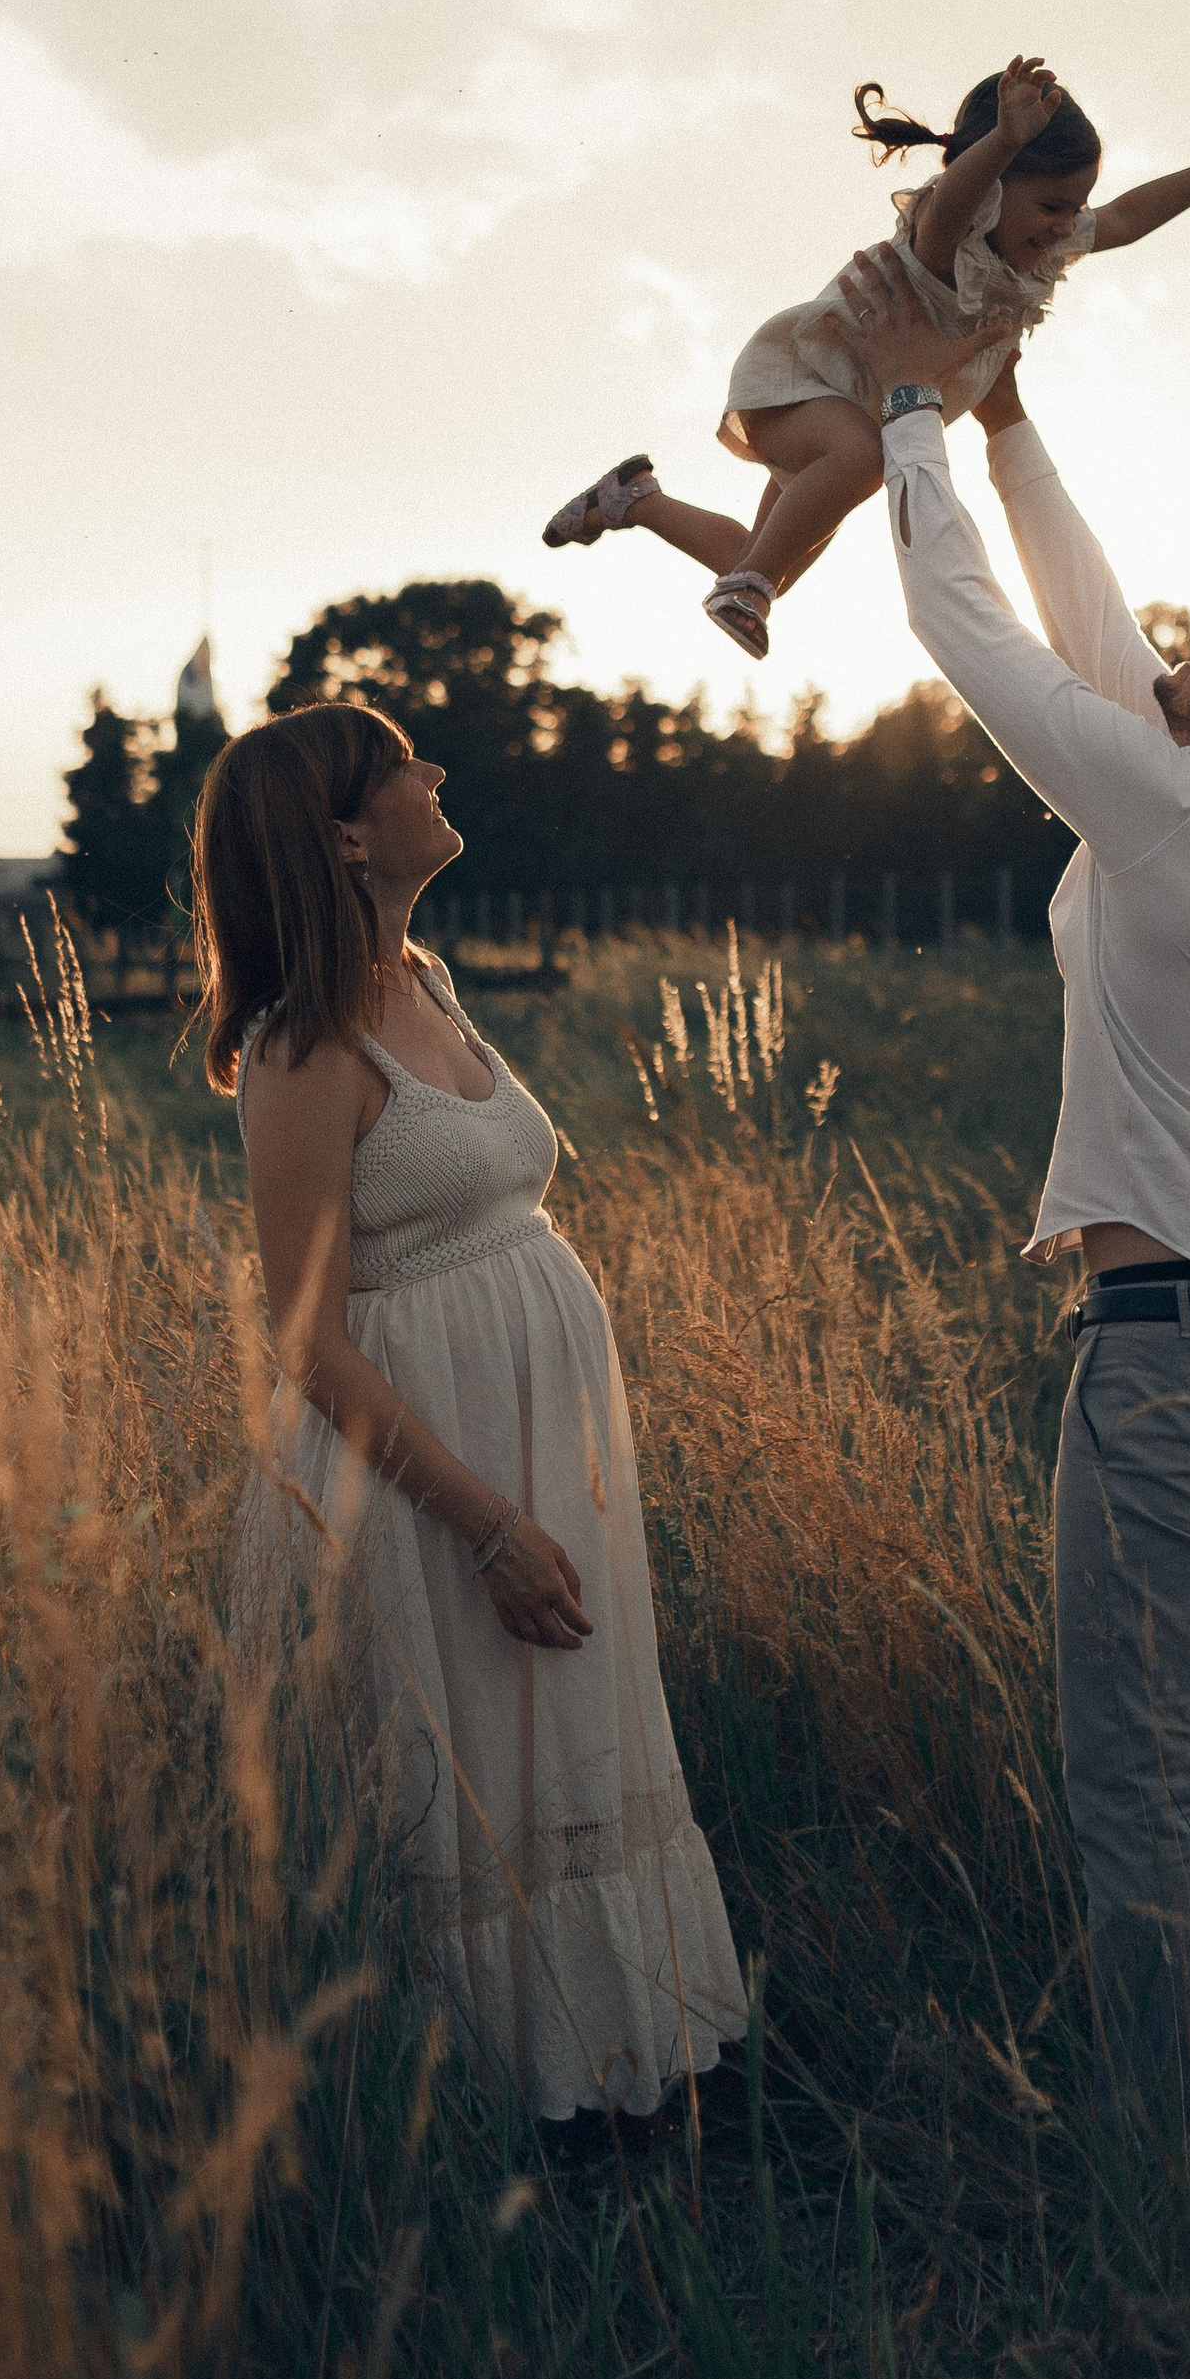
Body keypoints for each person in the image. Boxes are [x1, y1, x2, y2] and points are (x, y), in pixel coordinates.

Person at [831, 239, 1190, 2124]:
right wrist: (1008, 423)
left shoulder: (1179, 801)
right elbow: (1099, 647)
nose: (1185, 641)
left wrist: (911, 414)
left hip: (1167, 1357)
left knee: (1140, 1768)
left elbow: (986, 647)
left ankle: (1159, 2157)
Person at [202, 701, 746, 2129]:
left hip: (525, 1448)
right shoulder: (299, 1046)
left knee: (560, 1747)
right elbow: (307, 1338)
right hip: (422, 1483)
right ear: (340, 834)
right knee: (463, 1797)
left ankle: (621, 2077)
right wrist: (487, 1523)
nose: (438, 775)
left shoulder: (427, 979)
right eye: (404, 771)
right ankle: (493, 2125)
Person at [541, 55, 1190, 662]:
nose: (1067, 225)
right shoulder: (950, 237)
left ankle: (632, 499)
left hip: (853, 410)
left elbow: (1131, 215)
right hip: (805, 381)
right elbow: (958, 197)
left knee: (764, 555)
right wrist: (1003, 139)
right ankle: (742, 589)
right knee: (859, 466)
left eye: (1075, 206)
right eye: (1050, 205)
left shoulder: (1046, 241)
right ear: (995, 189)